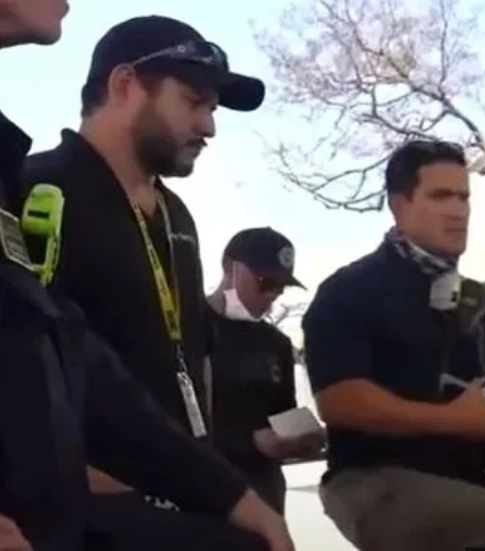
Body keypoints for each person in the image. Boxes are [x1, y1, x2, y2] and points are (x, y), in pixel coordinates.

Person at [0, 2, 292, 550]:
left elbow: (182, 359)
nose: (208, 125)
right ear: (126, 84)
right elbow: (34, 369)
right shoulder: (41, 190)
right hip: (92, 509)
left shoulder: (178, 216)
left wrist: (214, 484)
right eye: (193, 101)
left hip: (184, 485)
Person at [303, 140, 485, 551]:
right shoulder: (349, 290)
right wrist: (455, 420)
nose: (459, 210)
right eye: (441, 196)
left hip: (464, 478)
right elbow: (339, 401)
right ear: (399, 205)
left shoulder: (477, 299)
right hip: (373, 478)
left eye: (464, 197)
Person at [206, 227, 323, 514]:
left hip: (263, 490)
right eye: (265, 282)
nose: (272, 294)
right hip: (201, 487)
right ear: (228, 267)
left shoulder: (276, 344)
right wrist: (248, 441)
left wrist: (302, 439)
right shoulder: (186, 329)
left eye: (280, 287)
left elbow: (285, 415)